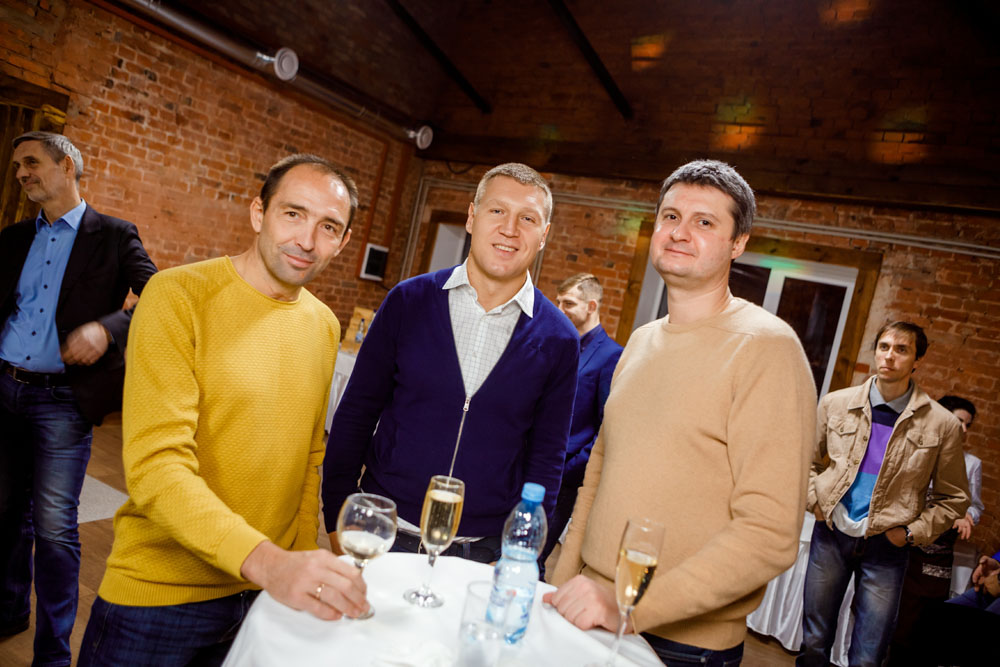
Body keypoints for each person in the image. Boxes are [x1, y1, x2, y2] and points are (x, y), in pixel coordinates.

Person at [77, 154, 366, 666]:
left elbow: (308, 460)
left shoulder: (323, 324)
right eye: (293, 214)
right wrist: (269, 563)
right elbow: (156, 468)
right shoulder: (177, 295)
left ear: (342, 242)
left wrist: (296, 562)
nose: (306, 240)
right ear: (259, 213)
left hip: (263, 597)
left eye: (328, 227)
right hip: (163, 595)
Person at [546, 159, 817, 666]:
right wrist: (560, 582)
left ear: (738, 243)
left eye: (704, 222)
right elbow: (598, 476)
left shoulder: (767, 349)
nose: (679, 232)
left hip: (682, 646)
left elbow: (770, 533)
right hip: (587, 609)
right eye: (670, 216)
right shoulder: (642, 341)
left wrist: (630, 608)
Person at [323, 163, 579, 564]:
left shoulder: (559, 338)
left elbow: (548, 458)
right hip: (382, 535)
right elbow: (356, 412)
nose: (510, 229)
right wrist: (337, 512)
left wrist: (522, 552)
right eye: (497, 211)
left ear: (543, 235)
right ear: (472, 217)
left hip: (480, 553)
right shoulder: (408, 302)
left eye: (527, 218)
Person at [0, 131, 156, 666]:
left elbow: (158, 295)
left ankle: (51, 654)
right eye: (17, 165)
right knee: (5, 513)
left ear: (67, 166)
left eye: (32, 162)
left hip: (63, 402)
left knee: (54, 528)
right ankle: (9, 611)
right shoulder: (13, 237)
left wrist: (108, 329)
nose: (22, 173)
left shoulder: (113, 235)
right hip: (5, 390)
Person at [798, 321, 970, 667]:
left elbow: (953, 498)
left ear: (917, 360)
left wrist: (910, 533)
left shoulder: (942, 424)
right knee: (814, 641)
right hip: (831, 533)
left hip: (888, 545)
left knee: (869, 653)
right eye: (884, 347)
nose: (890, 356)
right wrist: (815, 502)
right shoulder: (835, 403)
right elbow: (804, 462)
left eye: (902, 350)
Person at [888, 395, 984, 665]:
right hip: (904, 546)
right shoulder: (916, 450)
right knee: (894, 614)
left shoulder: (971, 464)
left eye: (968, 425)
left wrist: (967, 514)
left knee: (924, 622)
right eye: (959, 421)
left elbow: (976, 506)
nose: (964, 429)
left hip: (939, 554)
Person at [543, 273, 622, 564]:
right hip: (534, 468)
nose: (559, 309)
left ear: (591, 307)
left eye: (568, 303)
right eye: (558, 302)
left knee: (536, 556)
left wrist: (569, 470)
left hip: (565, 477)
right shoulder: (558, 344)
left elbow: (606, 427)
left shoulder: (612, 355)